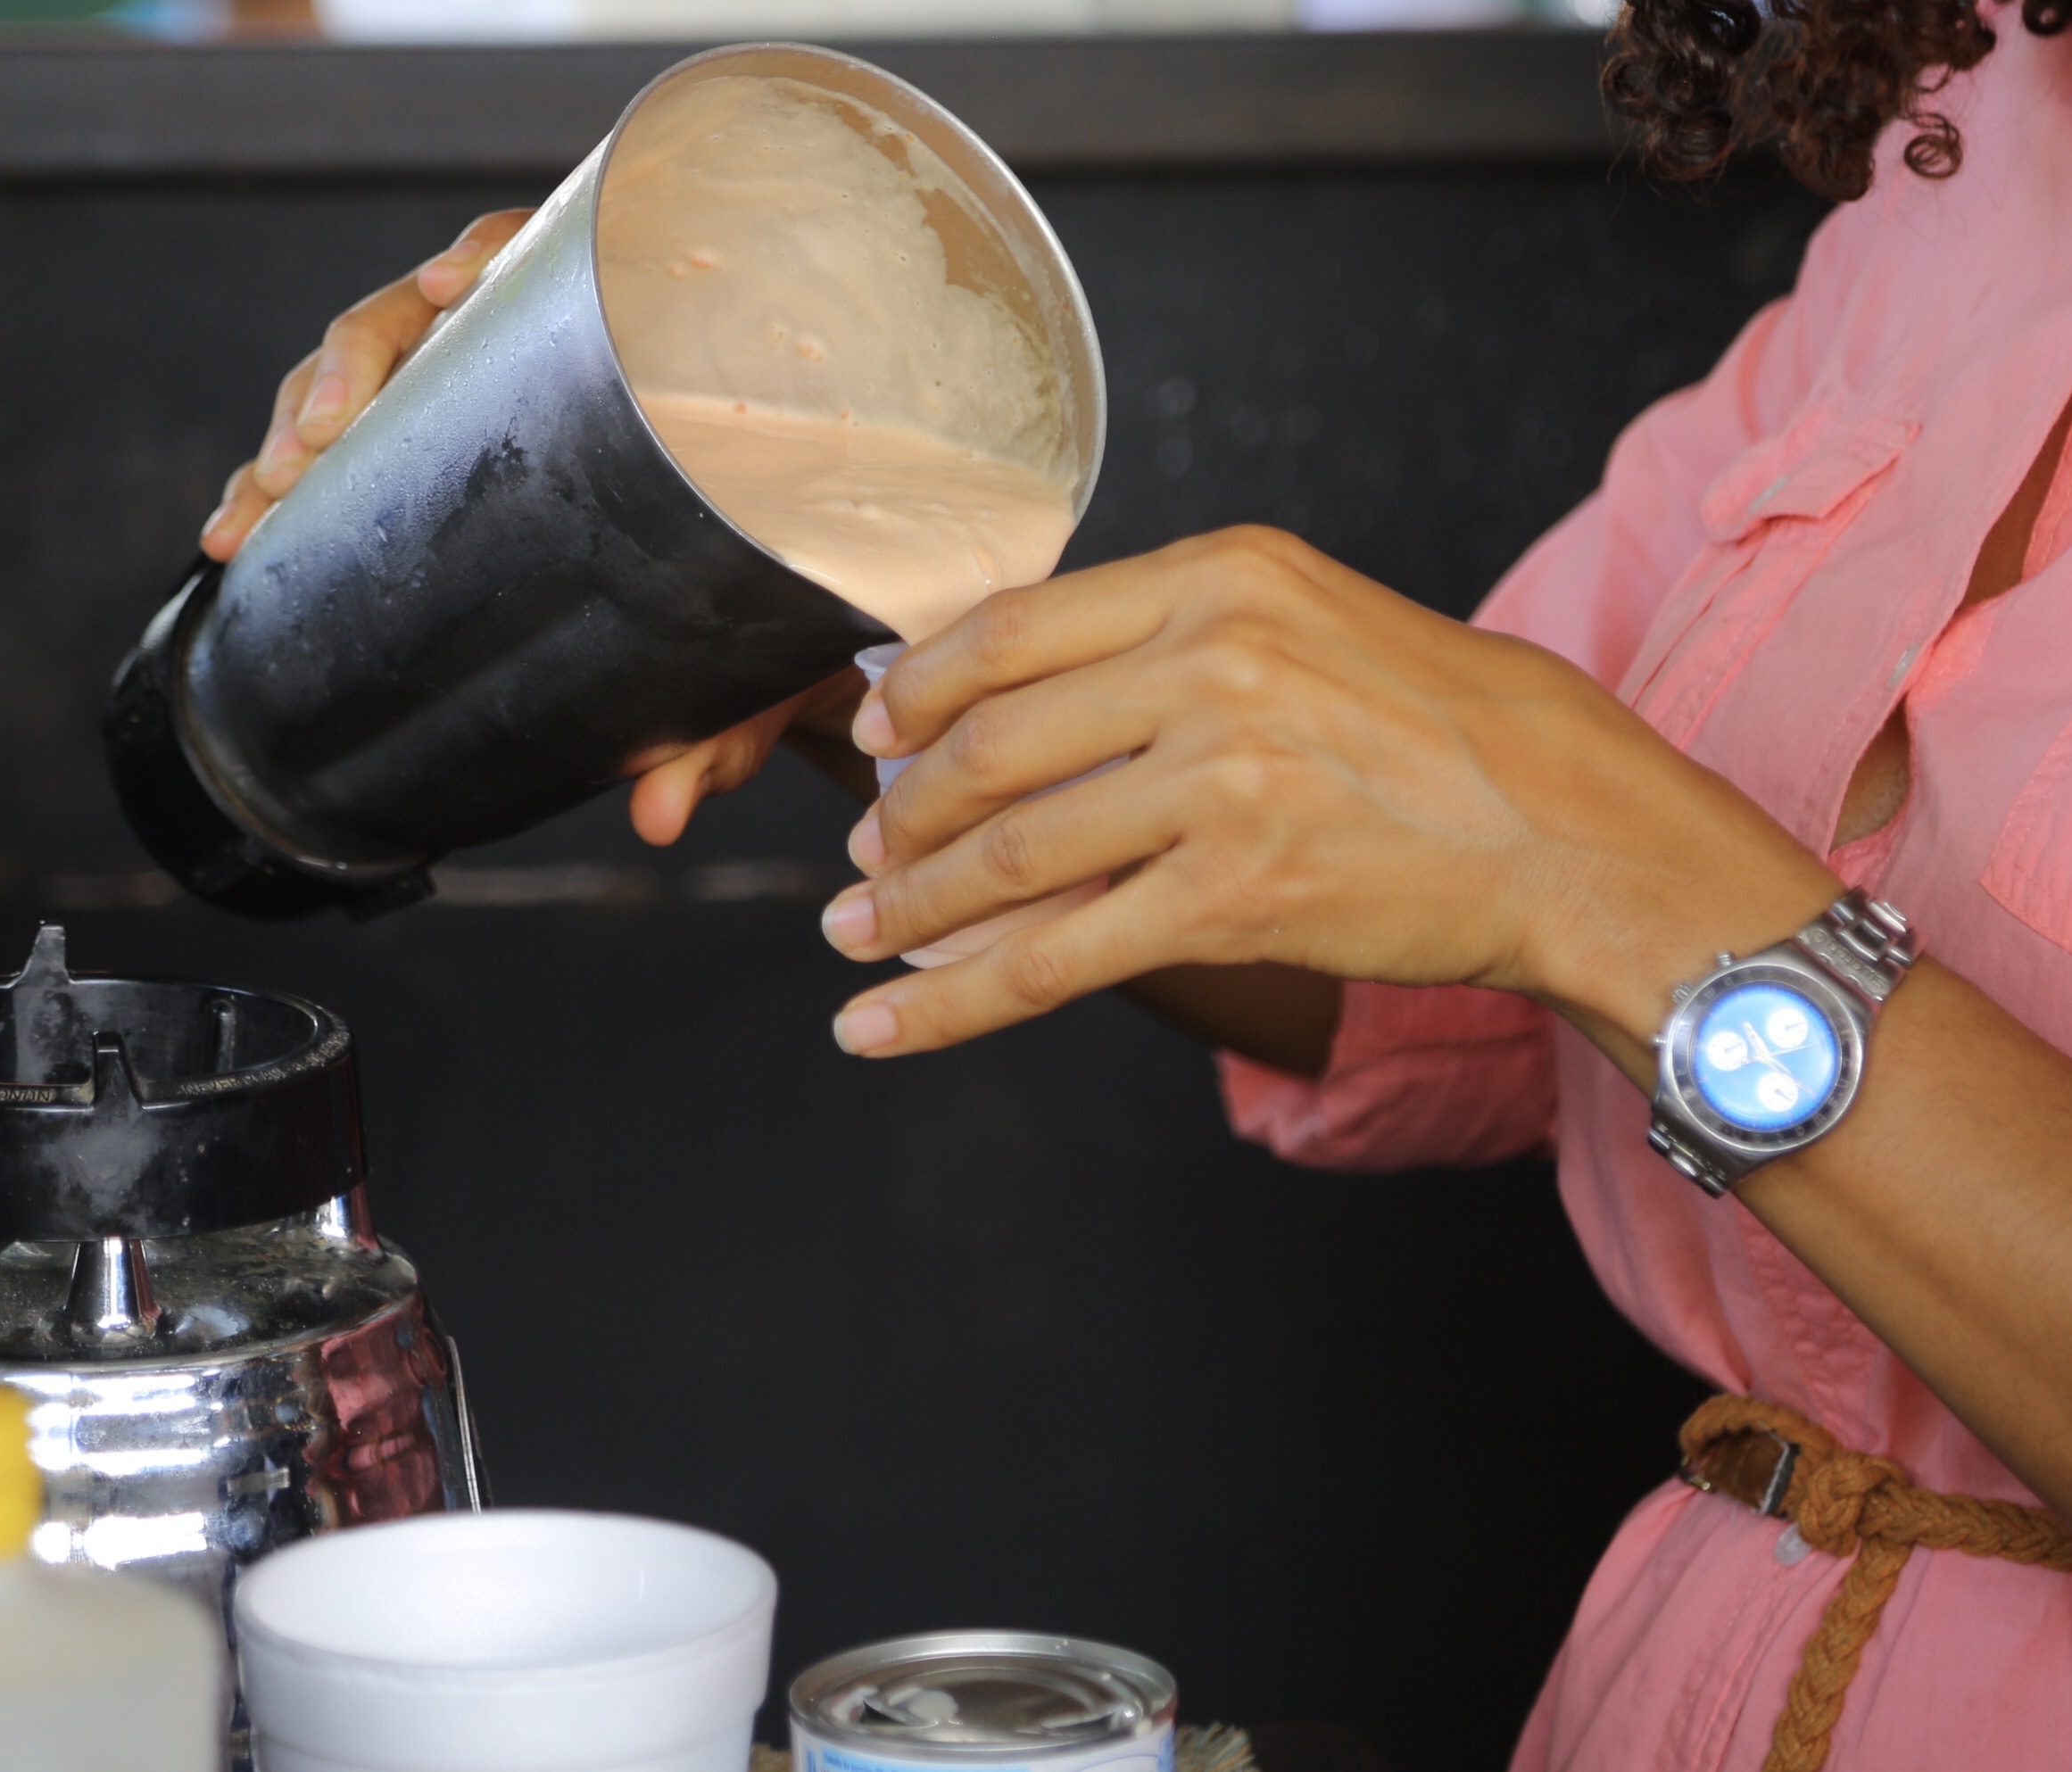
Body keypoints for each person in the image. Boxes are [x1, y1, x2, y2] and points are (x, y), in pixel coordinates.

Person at [201, 5, 2072, 1766]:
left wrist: (1619, 879)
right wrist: (804, 619)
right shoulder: (1961, 139)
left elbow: (1585, 881)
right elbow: (1450, 961)